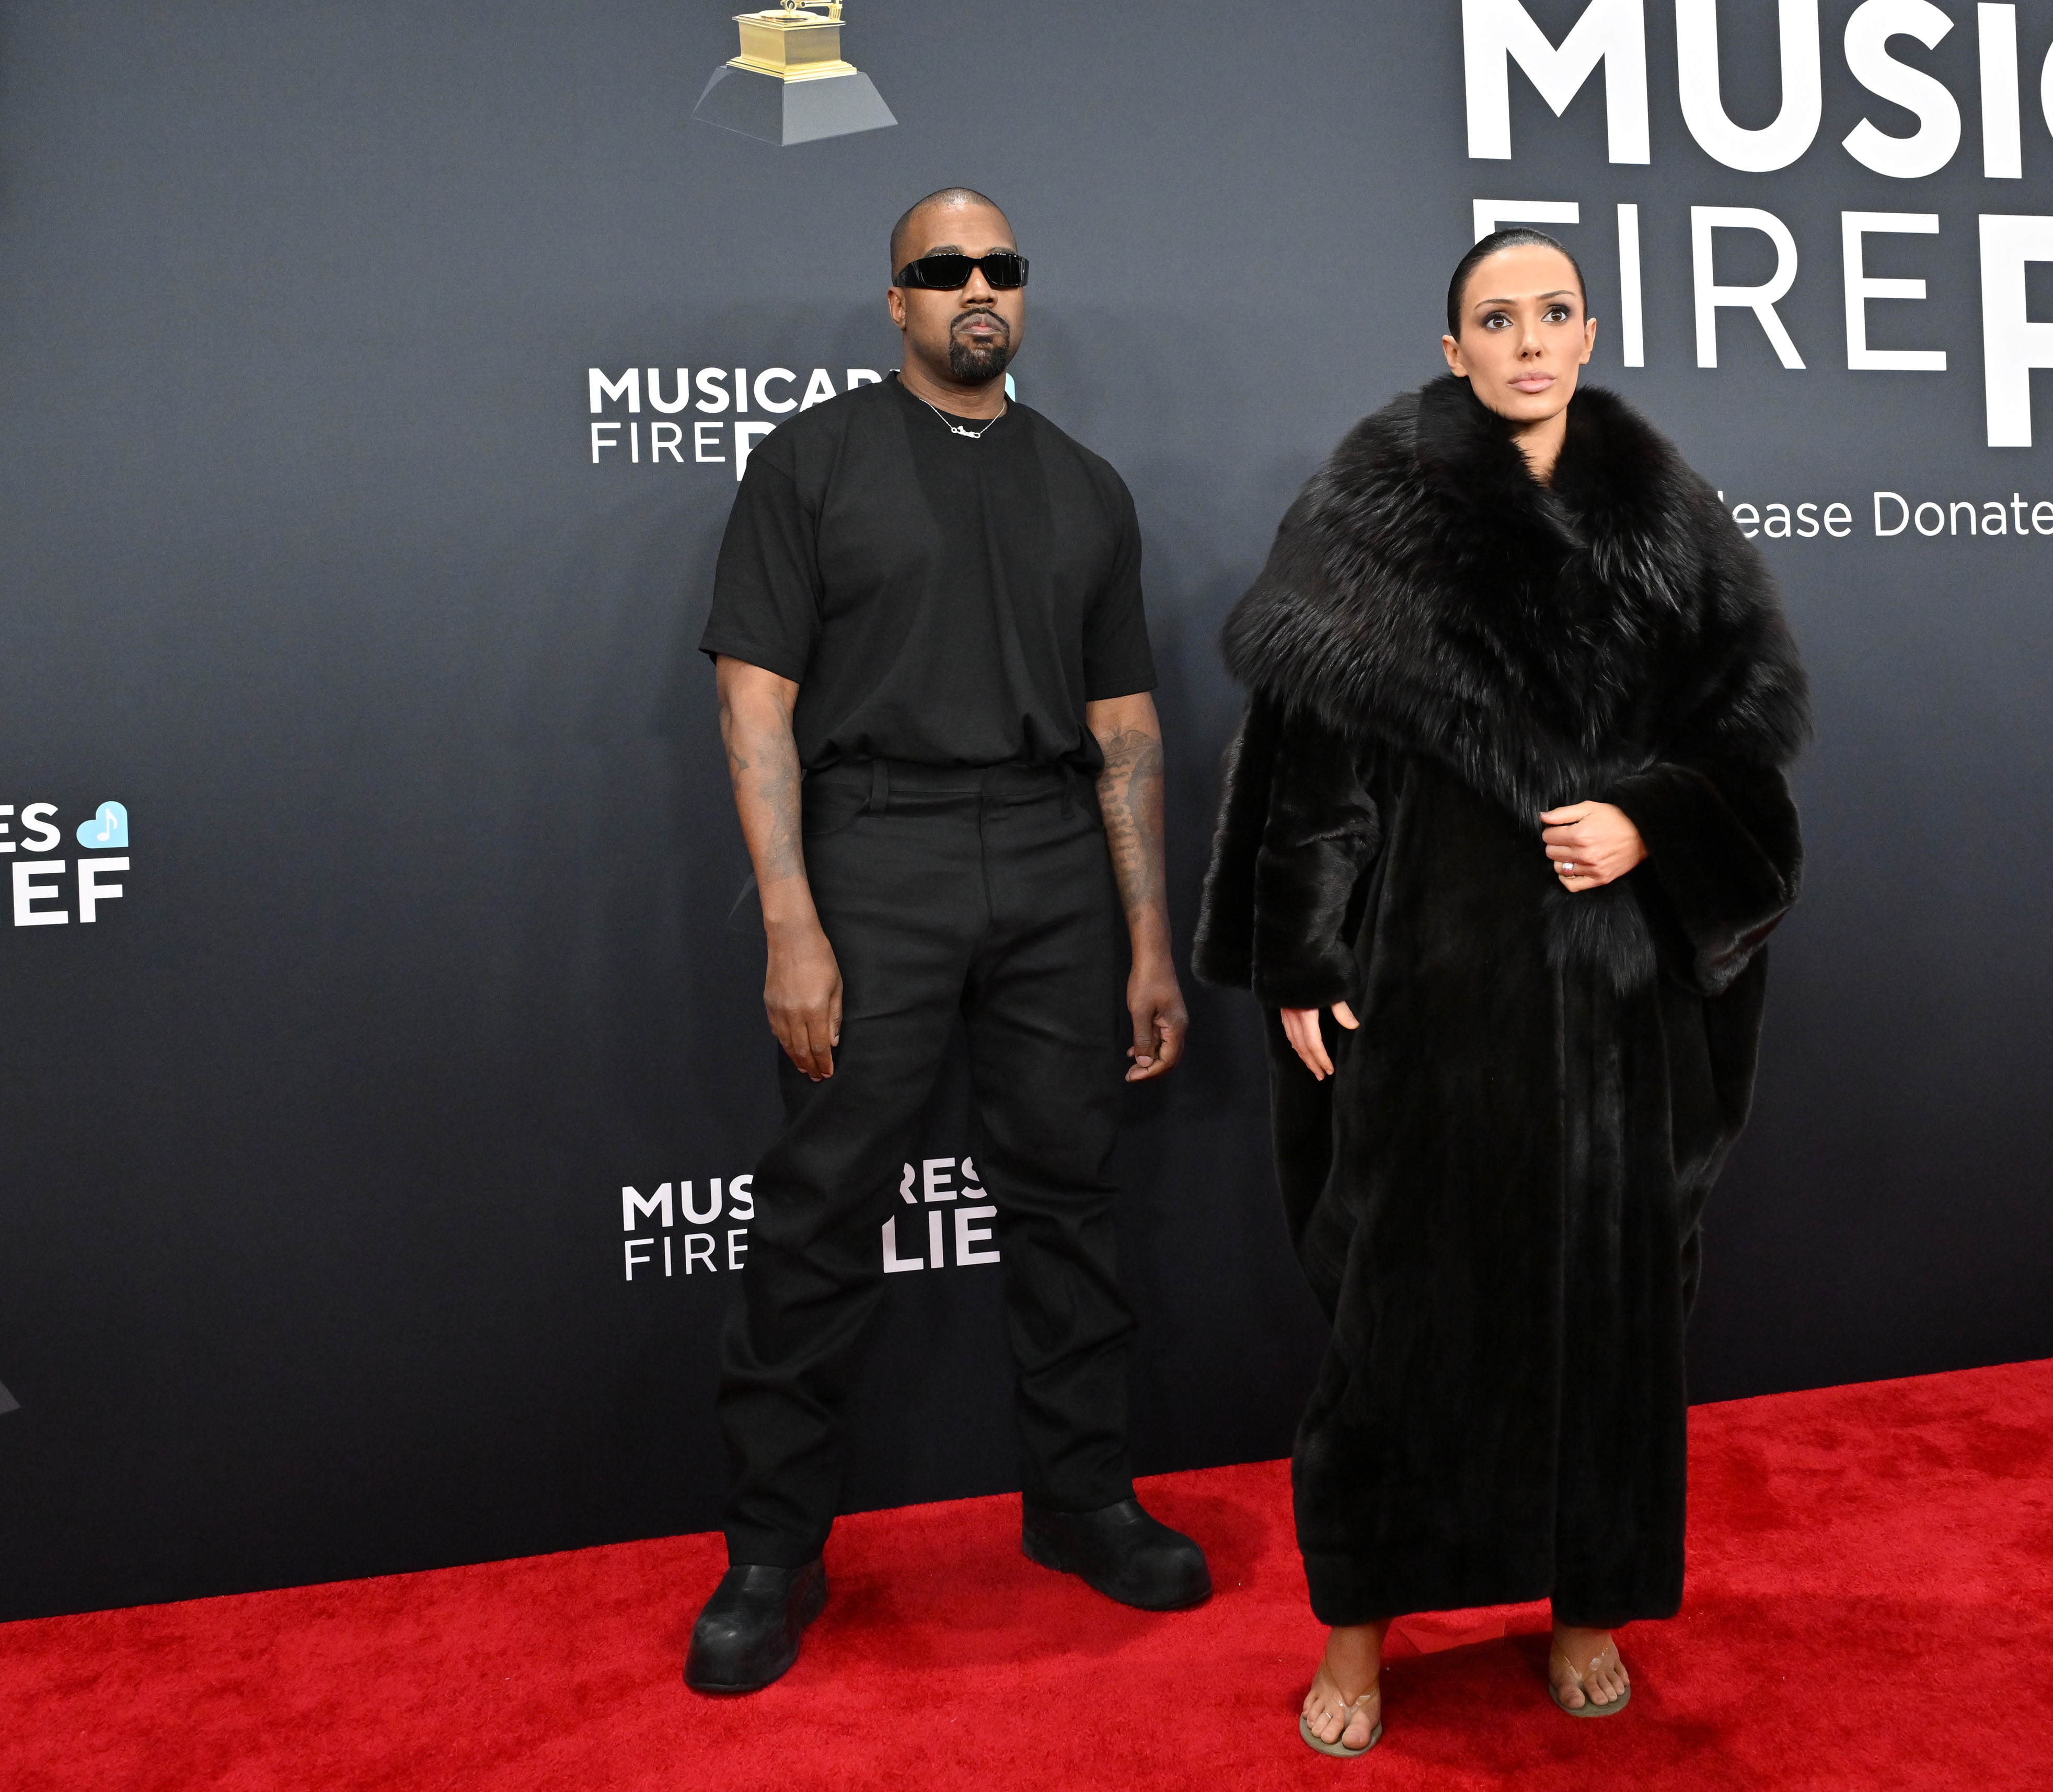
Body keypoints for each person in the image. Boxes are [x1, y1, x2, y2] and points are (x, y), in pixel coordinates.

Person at [1194, 229, 1808, 1754]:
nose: (1527, 341)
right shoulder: (1367, 518)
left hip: (1613, 1017)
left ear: (1589, 329)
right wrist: (1304, 956)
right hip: (1432, 990)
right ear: (1452, 344)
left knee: (1610, 1321)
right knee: (1394, 1325)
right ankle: (1358, 1634)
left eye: (1552, 313)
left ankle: (1586, 1609)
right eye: (1495, 318)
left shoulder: (1676, 525)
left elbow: (1749, 778)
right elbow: (1310, 770)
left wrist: (1649, 819)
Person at [684, 187, 1208, 1695]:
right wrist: (791, 920)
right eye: (944, 268)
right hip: (877, 857)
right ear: (896, 299)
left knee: (1070, 1198)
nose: (978, 287)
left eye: (1002, 267)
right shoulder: (814, 461)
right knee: (821, 1210)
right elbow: (754, 706)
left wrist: (1147, 939)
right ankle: (773, 1551)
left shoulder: (1087, 486)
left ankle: (1083, 1504)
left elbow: (1125, 729)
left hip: (1056, 861)